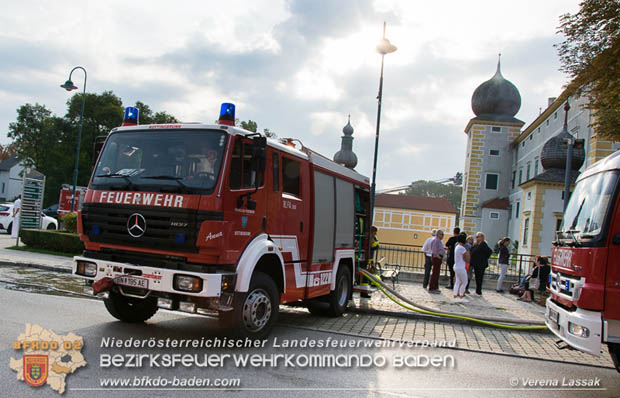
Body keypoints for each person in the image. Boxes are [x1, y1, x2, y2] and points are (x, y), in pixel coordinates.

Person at [470, 232, 492, 296]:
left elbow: (489, 252)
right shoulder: (476, 244)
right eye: (476, 237)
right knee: (477, 277)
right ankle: (477, 291)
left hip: (481, 264)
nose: (476, 238)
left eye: (478, 237)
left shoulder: (483, 244)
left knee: (479, 278)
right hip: (476, 264)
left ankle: (478, 292)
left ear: (482, 237)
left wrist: (483, 258)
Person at [453, 233, 470, 303]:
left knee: (458, 282)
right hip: (461, 267)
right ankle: (461, 296)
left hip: (456, 266)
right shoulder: (462, 248)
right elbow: (467, 258)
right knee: (464, 282)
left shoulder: (457, 246)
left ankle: (455, 296)